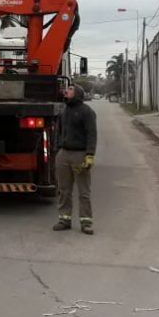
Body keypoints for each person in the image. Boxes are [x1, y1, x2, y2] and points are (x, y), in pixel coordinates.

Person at [53, 84, 97, 235]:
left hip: (80, 155)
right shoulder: (64, 111)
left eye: (70, 89)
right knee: (64, 190)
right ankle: (64, 220)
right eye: (67, 89)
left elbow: (92, 134)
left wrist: (90, 155)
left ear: (78, 93)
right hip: (64, 154)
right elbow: (58, 132)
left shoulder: (87, 112)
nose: (67, 90)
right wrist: (58, 149)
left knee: (83, 191)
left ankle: (86, 222)